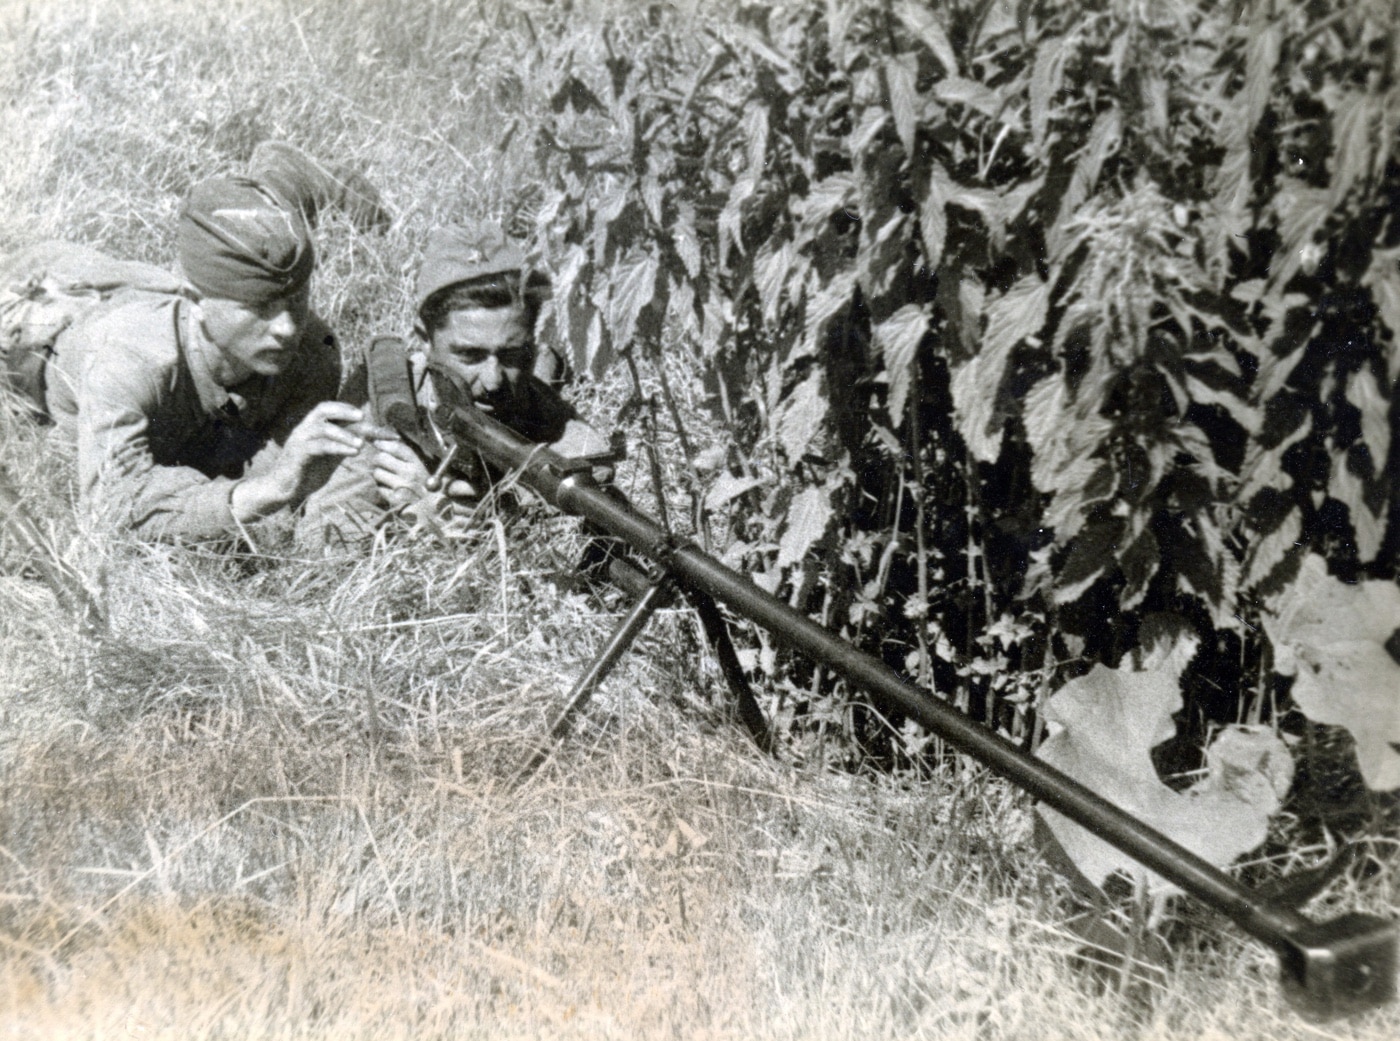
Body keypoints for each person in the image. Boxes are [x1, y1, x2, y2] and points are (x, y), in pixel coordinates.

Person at [0, 143, 388, 543]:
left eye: (297, 301)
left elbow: (271, 497)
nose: (286, 328)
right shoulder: (129, 361)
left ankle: (284, 176)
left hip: (143, 290)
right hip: (39, 308)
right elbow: (112, 511)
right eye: (259, 308)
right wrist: (270, 490)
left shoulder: (310, 353)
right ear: (197, 301)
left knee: (257, 243)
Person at [298, 220, 612, 548]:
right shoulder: (391, 397)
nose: (492, 380)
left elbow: (590, 540)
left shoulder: (558, 429)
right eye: (470, 355)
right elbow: (317, 537)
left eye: (511, 355)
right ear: (424, 339)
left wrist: (491, 521)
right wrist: (416, 524)